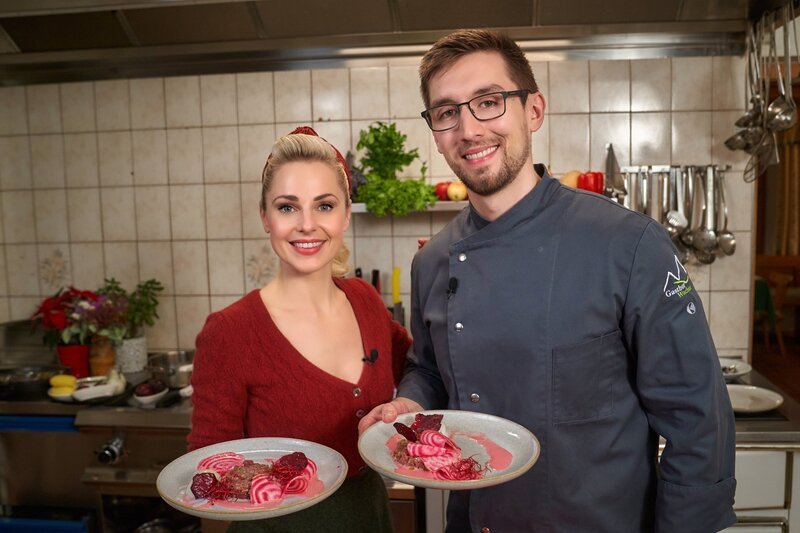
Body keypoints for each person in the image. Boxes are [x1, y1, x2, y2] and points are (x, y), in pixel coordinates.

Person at [359, 29, 736, 532]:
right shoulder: (435, 260)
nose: (468, 129)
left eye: (489, 102)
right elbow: (429, 369)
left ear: (533, 110)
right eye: (447, 112)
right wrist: (412, 402)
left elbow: (698, 424)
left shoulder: (629, 246)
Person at [188, 127, 412, 532]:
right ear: (265, 218)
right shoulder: (229, 332)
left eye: (324, 206)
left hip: (370, 517)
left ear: (346, 213)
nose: (307, 225)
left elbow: (421, 367)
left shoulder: (365, 300)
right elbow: (210, 483)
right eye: (288, 207)